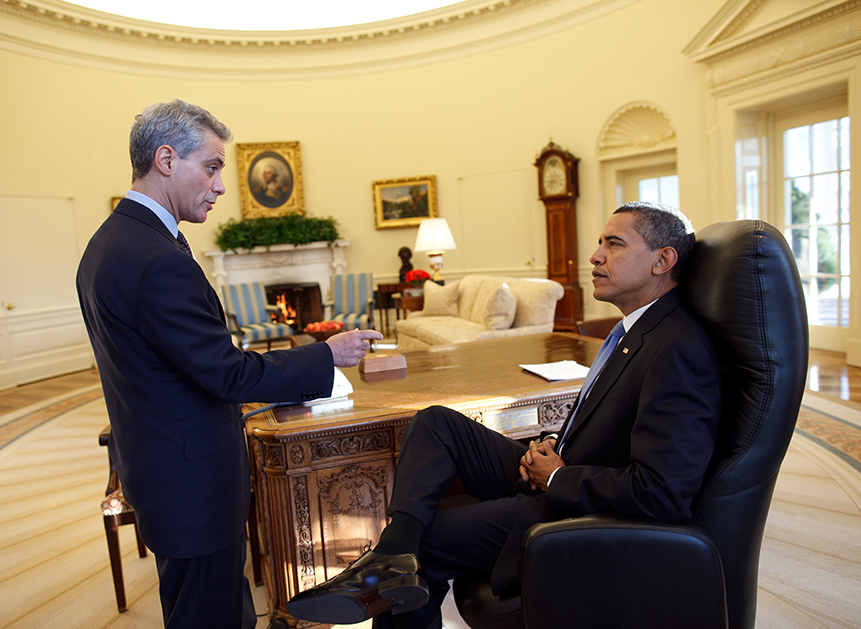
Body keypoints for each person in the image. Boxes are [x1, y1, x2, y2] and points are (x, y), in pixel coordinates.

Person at [286, 201, 722, 627]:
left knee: (428, 542)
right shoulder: (636, 330)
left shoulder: (678, 349)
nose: (595, 255)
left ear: (663, 260)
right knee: (437, 422)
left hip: (576, 513)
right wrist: (555, 448)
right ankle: (391, 554)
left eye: (615, 244)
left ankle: (392, 563)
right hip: (563, 473)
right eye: (599, 243)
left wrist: (556, 477)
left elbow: (663, 492)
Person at [76, 99, 381, 629]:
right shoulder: (154, 258)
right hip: (189, 482)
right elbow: (227, 373)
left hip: (160, 469)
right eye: (213, 167)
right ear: (166, 160)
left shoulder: (109, 243)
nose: (221, 186)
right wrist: (326, 355)